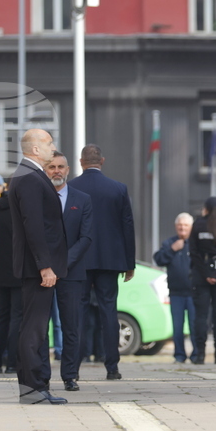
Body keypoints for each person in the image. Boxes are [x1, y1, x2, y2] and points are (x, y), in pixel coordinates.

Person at [9, 129, 68, 405]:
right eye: (49, 143)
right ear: (35, 149)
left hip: (37, 265)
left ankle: (37, 386)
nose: (53, 147)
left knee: (35, 328)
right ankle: (33, 389)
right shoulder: (30, 177)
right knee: (33, 329)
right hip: (37, 268)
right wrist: (45, 266)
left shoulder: (30, 174)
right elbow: (34, 226)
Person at [69, 144, 136, 381]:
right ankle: (112, 367)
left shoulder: (71, 187)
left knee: (78, 313)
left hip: (79, 260)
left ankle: (74, 367)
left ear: (80, 162)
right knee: (109, 312)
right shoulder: (118, 189)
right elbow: (127, 227)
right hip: (110, 260)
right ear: (102, 161)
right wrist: (130, 263)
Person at [44, 152, 93, 391]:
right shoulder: (37, 197)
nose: (56, 171)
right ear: (45, 170)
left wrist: (62, 264)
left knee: (71, 325)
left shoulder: (82, 199)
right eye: (51, 166)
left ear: (68, 169)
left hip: (71, 272)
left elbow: (86, 238)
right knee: (40, 326)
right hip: (40, 271)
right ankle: (41, 374)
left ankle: (70, 375)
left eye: (60, 167)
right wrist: (45, 265)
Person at [154, 213, 197, 364]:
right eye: (180, 225)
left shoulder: (196, 242)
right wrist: (172, 249)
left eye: (185, 225)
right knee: (177, 327)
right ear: (175, 227)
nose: (182, 228)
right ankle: (179, 355)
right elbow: (158, 259)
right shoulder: (169, 243)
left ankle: (196, 355)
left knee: (195, 326)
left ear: (191, 227)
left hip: (194, 293)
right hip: (176, 293)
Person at [190, 197, 216, 364]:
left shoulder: (198, 224)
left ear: (205, 209)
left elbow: (193, 252)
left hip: (201, 274)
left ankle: (200, 354)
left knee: (201, 315)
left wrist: (206, 273)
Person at [0, 189, 21, 375]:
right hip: (18, 271)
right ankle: (12, 364)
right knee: (17, 317)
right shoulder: (21, 209)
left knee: (0, 317)